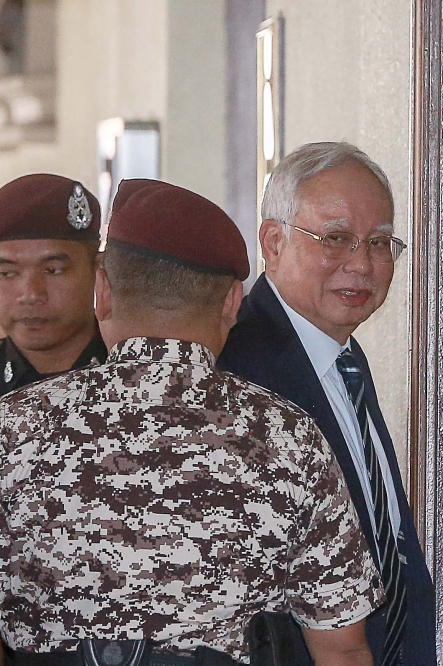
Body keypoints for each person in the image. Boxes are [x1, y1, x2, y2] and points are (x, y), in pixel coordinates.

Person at [0, 178, 383, 666]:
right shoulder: (288, 437)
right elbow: (341, 649)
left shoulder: (14, 426)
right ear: (232, 302)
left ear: (102, 292)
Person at [219, 142, 436, 666]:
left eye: (379, 243)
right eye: (336, 239)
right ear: (273, 243)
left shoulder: (344, 358)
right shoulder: (238, 369)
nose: (361, 264)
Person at [0, 174, 107, 395]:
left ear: (98, 270)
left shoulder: (142, 378)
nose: (31, 295)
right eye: (7, 273)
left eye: (53, 270)